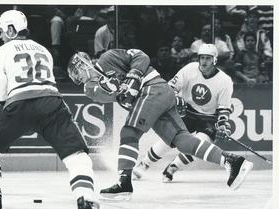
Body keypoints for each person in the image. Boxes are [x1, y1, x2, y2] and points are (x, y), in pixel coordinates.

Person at [67, 47, 253, 201]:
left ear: (83, 64)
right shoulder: (89, 88)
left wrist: (134, 75)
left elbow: (141, 55)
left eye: (78, 72)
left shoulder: (108, 57)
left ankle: (124, 183)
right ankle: (232, 161)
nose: (79, 78)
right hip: (154, 97)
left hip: (153, 88)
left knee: (129, 133)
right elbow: (105, 94)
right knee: (182, 140)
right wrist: (111, 88)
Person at [0, 10, 99, 209]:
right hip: (52, 102)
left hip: (19, 103)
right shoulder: (43, 49)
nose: (0, 35)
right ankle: (86, 198)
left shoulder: (0, 53)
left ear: (11, 29)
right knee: (77, 156)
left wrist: (9, 112)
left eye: (2, 31)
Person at [132, 44, 245, 183]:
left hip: (208, 119)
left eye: (208, 58)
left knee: (199, 144)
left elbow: (224, 108)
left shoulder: (225, 80)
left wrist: (222, 125)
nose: (203, 61)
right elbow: (169, 88)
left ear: (215, 60)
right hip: (188, 113)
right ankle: (144, 164)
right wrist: (176, 99)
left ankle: (173, 167)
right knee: (170, 139)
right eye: (202, 58)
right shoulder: (190, 69)